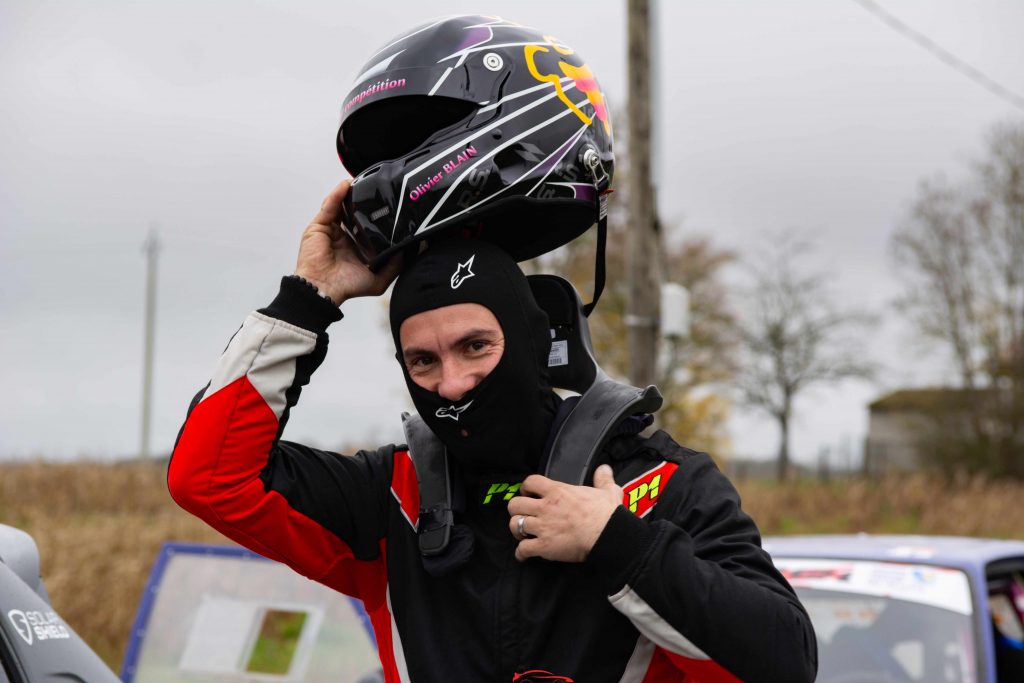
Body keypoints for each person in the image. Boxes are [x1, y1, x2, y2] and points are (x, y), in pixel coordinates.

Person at [169, 16, 817, 682]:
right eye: (422, 360)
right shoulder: (391, 498)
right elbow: (208, 477)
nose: (451, 383)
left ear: (533, 342)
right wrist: (308, 300)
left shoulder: (657, 483)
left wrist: (616, 541)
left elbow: (786, 662)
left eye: (475, 346)